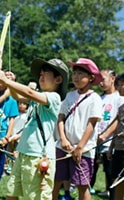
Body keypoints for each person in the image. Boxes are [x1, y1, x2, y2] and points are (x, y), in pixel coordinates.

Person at [0, 58, 69, 199]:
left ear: (58, 79)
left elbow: (29, 93)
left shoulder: (54, 97)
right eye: (40, 74)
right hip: (23, 153)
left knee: (35, 196)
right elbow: (18, 96)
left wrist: (7, 81)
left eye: (45, 73)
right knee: (11, 193)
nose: (41, 76)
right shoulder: (38, 98)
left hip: (39, 156)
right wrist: (9, 83)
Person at [53, 58, 103, 200]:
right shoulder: (69, 96)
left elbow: (91, 124)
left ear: (91, 78)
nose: (76, 77)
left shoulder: (95, 98)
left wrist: (80, 147)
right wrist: (63, 139)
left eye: (81, 74)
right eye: (74, 73)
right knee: (56, 180)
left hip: (84, 150)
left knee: (82, 185)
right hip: (63, 146)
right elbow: (61, 118)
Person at [90, 69, 124, 197]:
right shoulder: (100, 98)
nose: (100, 83)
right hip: (107, 143)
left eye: (103, 79)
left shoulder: (118, 99)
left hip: (111, 142)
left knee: (112, 174)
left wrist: (105, 136)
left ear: (112, 78)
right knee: (111, 175)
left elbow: (116, 123)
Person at [107, 73, 124, 200]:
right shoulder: (121, 108)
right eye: (117, 85)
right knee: (117, 181)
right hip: (118, 149)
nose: (119, 87)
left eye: (122, 84)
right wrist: (110, 147)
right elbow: (117, 128)